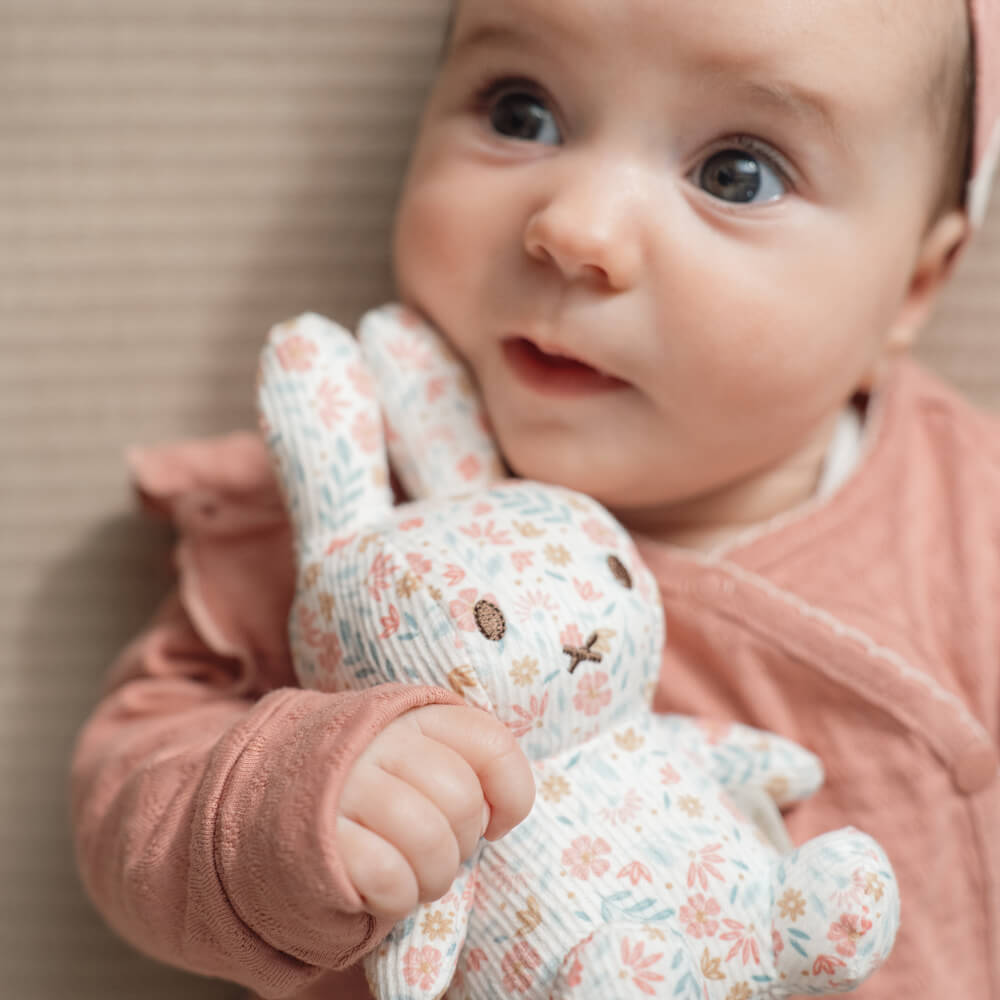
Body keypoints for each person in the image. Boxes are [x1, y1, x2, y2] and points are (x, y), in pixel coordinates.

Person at [71, 0, 1000, 997]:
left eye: (736, 173)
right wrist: (287, 806)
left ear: (913, 281)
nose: (575, 228)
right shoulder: (348, 531)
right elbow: (130, 788)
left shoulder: (965, 514)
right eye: (520, 114)